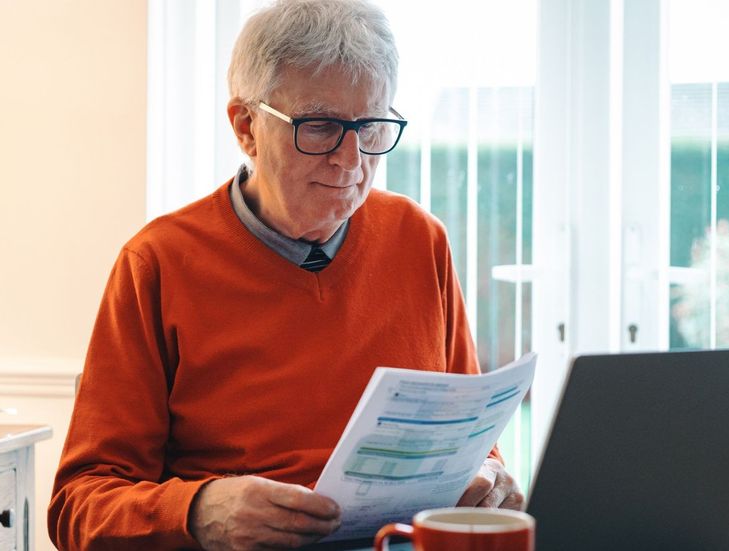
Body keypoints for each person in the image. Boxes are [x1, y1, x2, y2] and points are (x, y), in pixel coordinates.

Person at [48, 0, 523, 549]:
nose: (351, 160)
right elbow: (78, 507)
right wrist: (198, 510)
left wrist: (490, 480)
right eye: (321, 127)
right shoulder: (156, 263)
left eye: (371, 126)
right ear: (246, 127)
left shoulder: (421, 240)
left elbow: (473, 447)